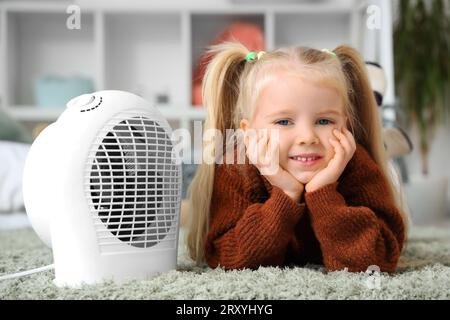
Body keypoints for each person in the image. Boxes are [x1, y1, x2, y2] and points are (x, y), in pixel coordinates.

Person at [184, 42, 407, 273]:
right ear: (248, 132)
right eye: (284, 122)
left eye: (324, 121)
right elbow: (226, 259)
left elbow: (378, 260)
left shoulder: (356, 165)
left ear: (346, 125)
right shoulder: (237, 168)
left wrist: (323, 193)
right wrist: (286, 195)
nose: (307, 137)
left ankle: (386, 142)